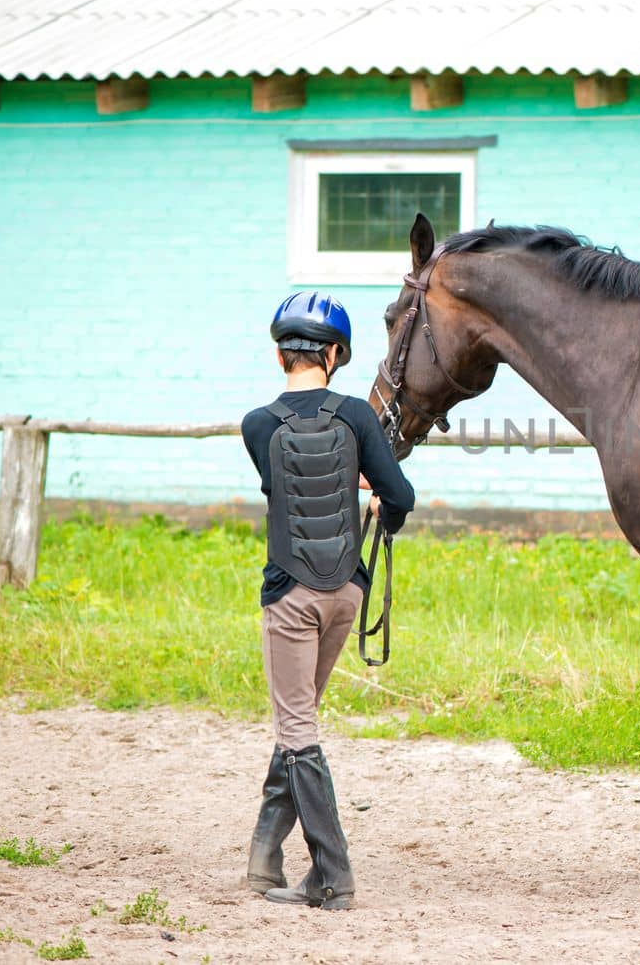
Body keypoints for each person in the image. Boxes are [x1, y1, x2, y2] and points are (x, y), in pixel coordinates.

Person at [239, 291, 415, 911]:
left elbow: (282, 486)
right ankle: (264, 859)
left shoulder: (257, 424)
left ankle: (332, 876)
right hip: (345, 591)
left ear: (280, 354)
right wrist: (374, 504)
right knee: (300, 722)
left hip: (290, 595)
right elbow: (401, 496)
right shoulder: (358, 418)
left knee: (296, 727)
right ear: (336, 354)